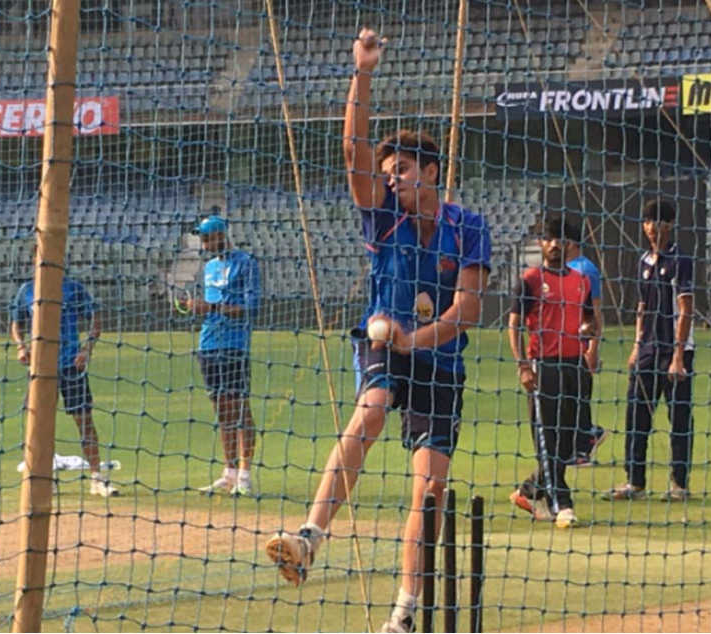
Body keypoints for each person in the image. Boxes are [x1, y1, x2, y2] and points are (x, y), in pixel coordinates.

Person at [265, 28, 491, 634]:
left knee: (428, 491)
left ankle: (404, 612)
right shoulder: (383, 217)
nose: (391, 178)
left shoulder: (467, 226)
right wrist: (362, 72)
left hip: (440, 361)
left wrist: (413, 338)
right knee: (370, 410)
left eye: (404, 169)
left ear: (432, 171)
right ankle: (311, 537)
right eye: (388, 170)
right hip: (383, 348)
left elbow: (467, 311)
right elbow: (352, 153)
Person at [508, 216, 597, 529]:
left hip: (575, 365)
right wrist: (522, 365)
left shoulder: (581, 280)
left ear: (568, 244)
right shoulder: (531, 279)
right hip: (543, 365)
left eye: (560, 239)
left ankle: (528, 491)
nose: (555, 244)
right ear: (541, 244)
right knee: (547, 436)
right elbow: (514, 324)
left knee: (570, 441)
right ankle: (563, 504)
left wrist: (589, 337)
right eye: (548, 238)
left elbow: (589, 320)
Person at [605, 199, 695, 502]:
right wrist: (635, 346)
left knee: (679, 418)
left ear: (669, 225)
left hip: (674, 351)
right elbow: (642, 307)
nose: (652, 228)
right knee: (636, 415)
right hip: (647, 350)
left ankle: (679, 484)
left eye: (659, 222)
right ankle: (634, 481)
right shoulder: (644, 261)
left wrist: (680, 356)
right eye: (647, 222)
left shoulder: (680, 259)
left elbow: (686, 308)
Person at [9, 254, 118, 497]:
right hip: (41, 367)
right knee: (39, 424)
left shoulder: (73, 288)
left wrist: (86, 350)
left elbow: (95, 321)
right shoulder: (27, 290)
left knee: (84, 420)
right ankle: (42, 477)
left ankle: (97, 478)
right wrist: (20, 346)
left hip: (71, 364)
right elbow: (16, 324)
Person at [188, 214, 261, 497]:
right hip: (208, 344)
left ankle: (245, 472)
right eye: (202, 239)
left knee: (240, 407)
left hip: (234, 343)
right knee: (221, 409)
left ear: (221, 235)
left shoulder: (246, 263)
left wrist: (211, 308)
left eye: (208, 238)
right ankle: (228, 472)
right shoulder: (208, 268)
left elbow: (250, 306)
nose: (205, 243)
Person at [563, 226, 607, 466]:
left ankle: (583, 447)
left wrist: (593, 347)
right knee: (567, 396)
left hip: (580, 344)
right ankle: (587, 436)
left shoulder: (585, 269)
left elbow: (595, 311)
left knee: (578, 396)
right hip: (562, 344)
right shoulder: (562, 269)